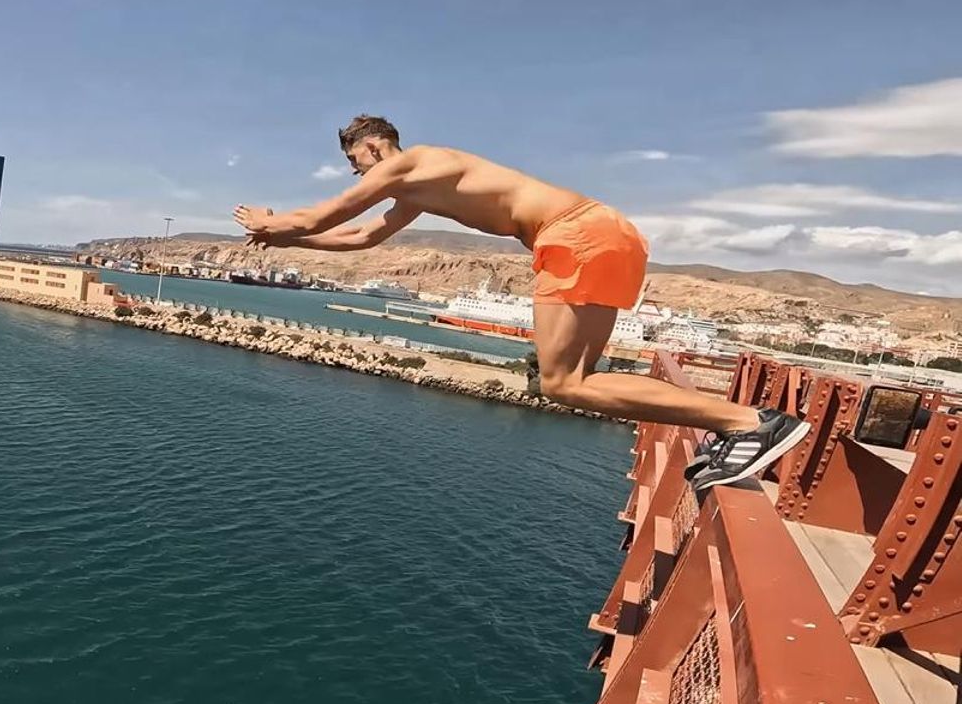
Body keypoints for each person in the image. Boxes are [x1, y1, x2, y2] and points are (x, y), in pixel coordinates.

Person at [234, 114, 808, 490]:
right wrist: (287, 237)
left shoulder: (410, 163)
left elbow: (321, 214)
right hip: (605, 231)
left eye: (354, 161)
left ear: (376, 145)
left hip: (572, 236)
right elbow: (361, 238)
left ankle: (750, 422)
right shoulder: (416, 187)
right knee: (580, 376)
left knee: (561, 384)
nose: (355, 171)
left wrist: (273, 221)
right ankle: (740, 428)